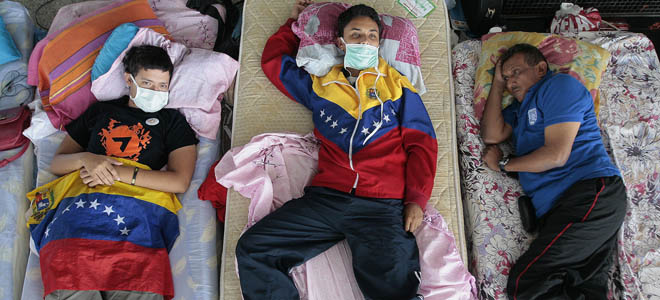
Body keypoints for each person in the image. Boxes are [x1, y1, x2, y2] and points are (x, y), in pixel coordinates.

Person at [235, 1, 437, 300]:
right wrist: (294, 24)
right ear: (340, 42)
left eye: (371, 36)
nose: (364, 41)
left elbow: (422, 144)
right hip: (327, 200)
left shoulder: (399, 87)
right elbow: (275, 63)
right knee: (254, 248)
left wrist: (417, 199)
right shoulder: (321, 86)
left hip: (381, 207)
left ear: (379, 43)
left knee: (396, 285)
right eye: (356, 35)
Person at [47, 45, 198, 300]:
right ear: (129, 79)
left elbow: (180, 181)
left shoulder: (173, 122)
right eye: (148, 83)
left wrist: (115, 172)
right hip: (83, 208)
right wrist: (87, 159)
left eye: (163, 86)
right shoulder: (101, 112)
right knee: (74, 276)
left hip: (134, 212)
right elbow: (57, 164)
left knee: (134, 277)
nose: (156, 92)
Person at [480, 43, 626, 299]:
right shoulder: (518, 110)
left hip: (589, 194)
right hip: (563, 210)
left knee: (528, 281)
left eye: (516, 71)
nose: (511, 80)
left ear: (540, 68)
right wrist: (497, 84)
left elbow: (556, 155)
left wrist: (505, 164)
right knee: (582, 287)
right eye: (507, 76)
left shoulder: (558, 87)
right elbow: (491, 134)